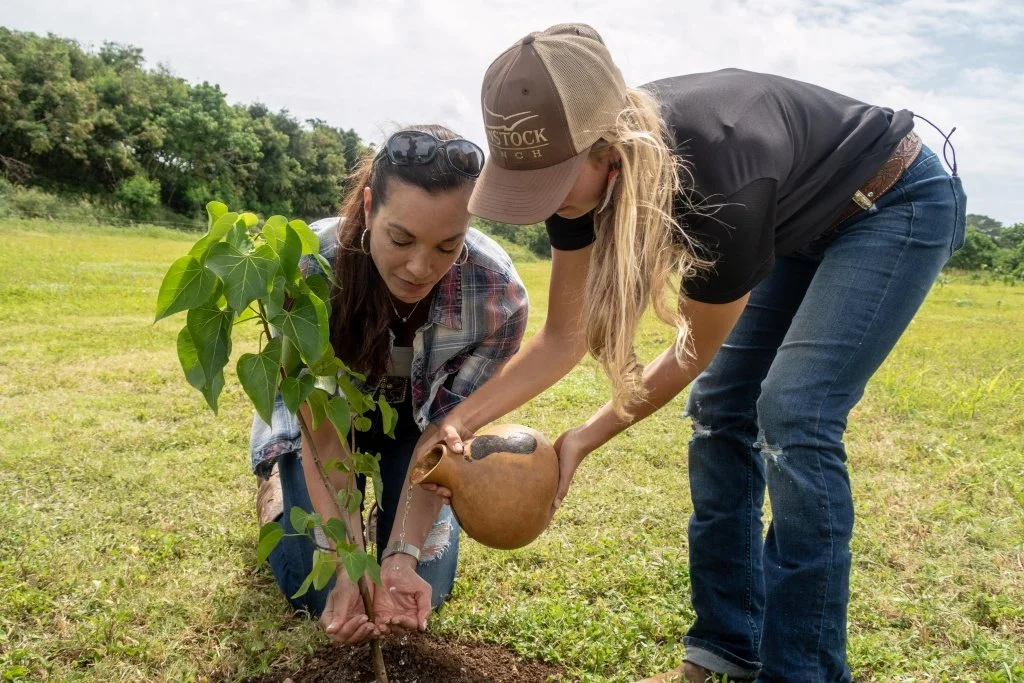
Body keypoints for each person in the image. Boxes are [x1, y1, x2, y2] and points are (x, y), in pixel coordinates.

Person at [411, 24, 966, 683]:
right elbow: (562, 337)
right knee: (722, 408)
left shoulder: (718, 183)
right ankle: (724, 644)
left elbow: (691, 350)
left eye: (553, 181)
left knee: (795, 410)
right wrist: (458, 423)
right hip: (801, 219)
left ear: (608, 149)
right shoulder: (575, 182)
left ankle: (802, 671)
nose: (543, 204)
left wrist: (582, 438)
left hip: (891, 200)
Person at [250, 124, 528, 646]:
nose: (421, 267)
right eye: (400, 239)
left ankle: (386, 529)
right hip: (332, 422)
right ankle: (275, 476)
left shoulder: (498, 298)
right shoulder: (309, 268)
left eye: (448, 246)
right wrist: (345, 557)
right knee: (317, 591)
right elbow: (325, 430)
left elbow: (446, 437)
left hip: (418, 430)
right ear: (370, 205)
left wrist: (400, 554)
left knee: (422, 587)